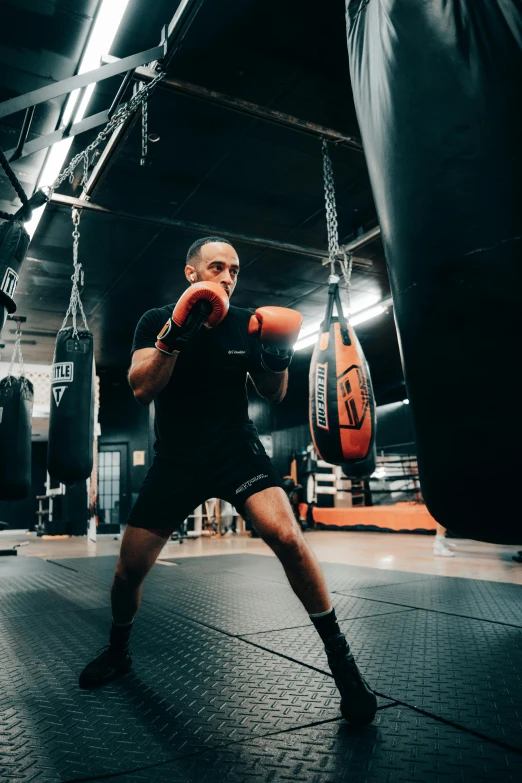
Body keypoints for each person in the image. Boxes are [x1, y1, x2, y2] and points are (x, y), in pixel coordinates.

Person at [79, 237, 377, 725]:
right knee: (127, 571)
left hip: (236, 450)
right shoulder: (156, 319)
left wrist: (277, 356)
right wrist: (177, 332)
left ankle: (343, 666)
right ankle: (118, 651)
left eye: (235, 270)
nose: (228, 277)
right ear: (191, 273)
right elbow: (140, 388)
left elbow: (273, 393)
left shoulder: (247, 324)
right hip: (176, 458)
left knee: (287, 537)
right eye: (217, 267)